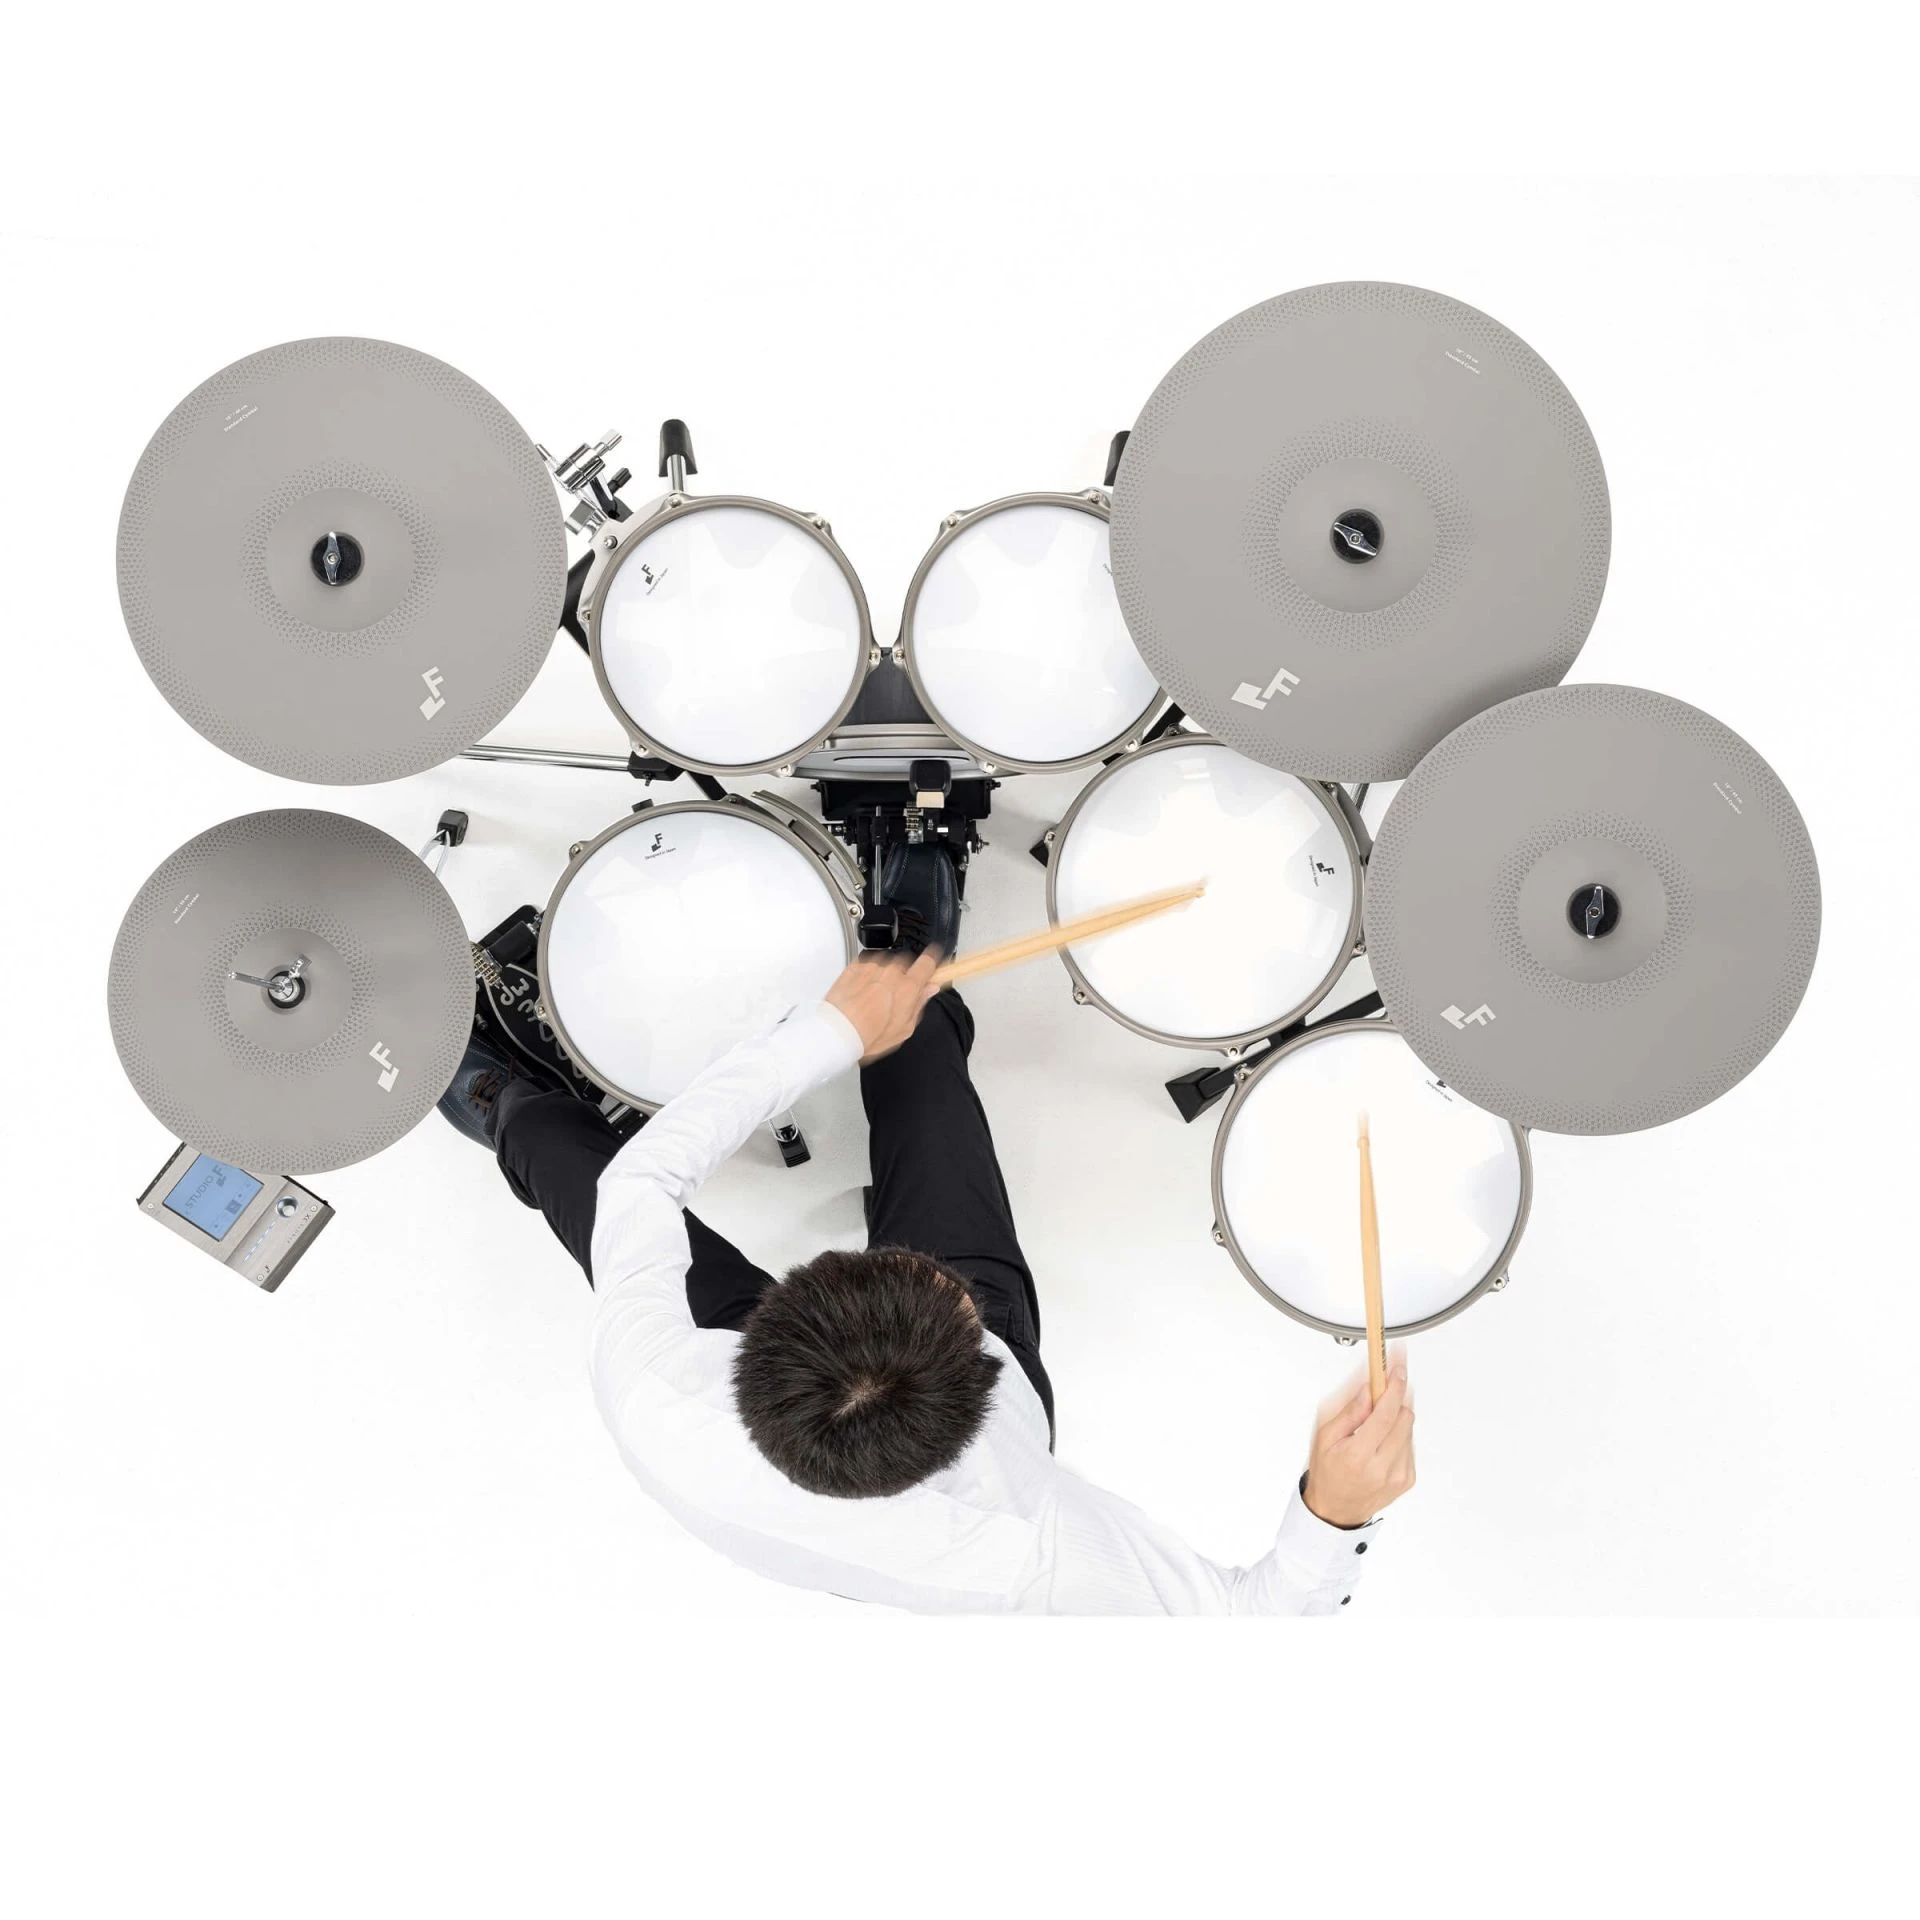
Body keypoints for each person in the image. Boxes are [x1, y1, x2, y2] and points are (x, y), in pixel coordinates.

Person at [439, 865, 1415, 1614]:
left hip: (746, 1411)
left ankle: (506, 1099)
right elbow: (1257, 1626)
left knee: (564, 1165)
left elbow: (640, 1185)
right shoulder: (1035, 1549)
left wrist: (829, 1032)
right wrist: (1335, 1513)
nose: (947, 1280)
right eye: (951, 1304)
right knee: (929, 1098)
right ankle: (917, 989)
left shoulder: (657, 1388)